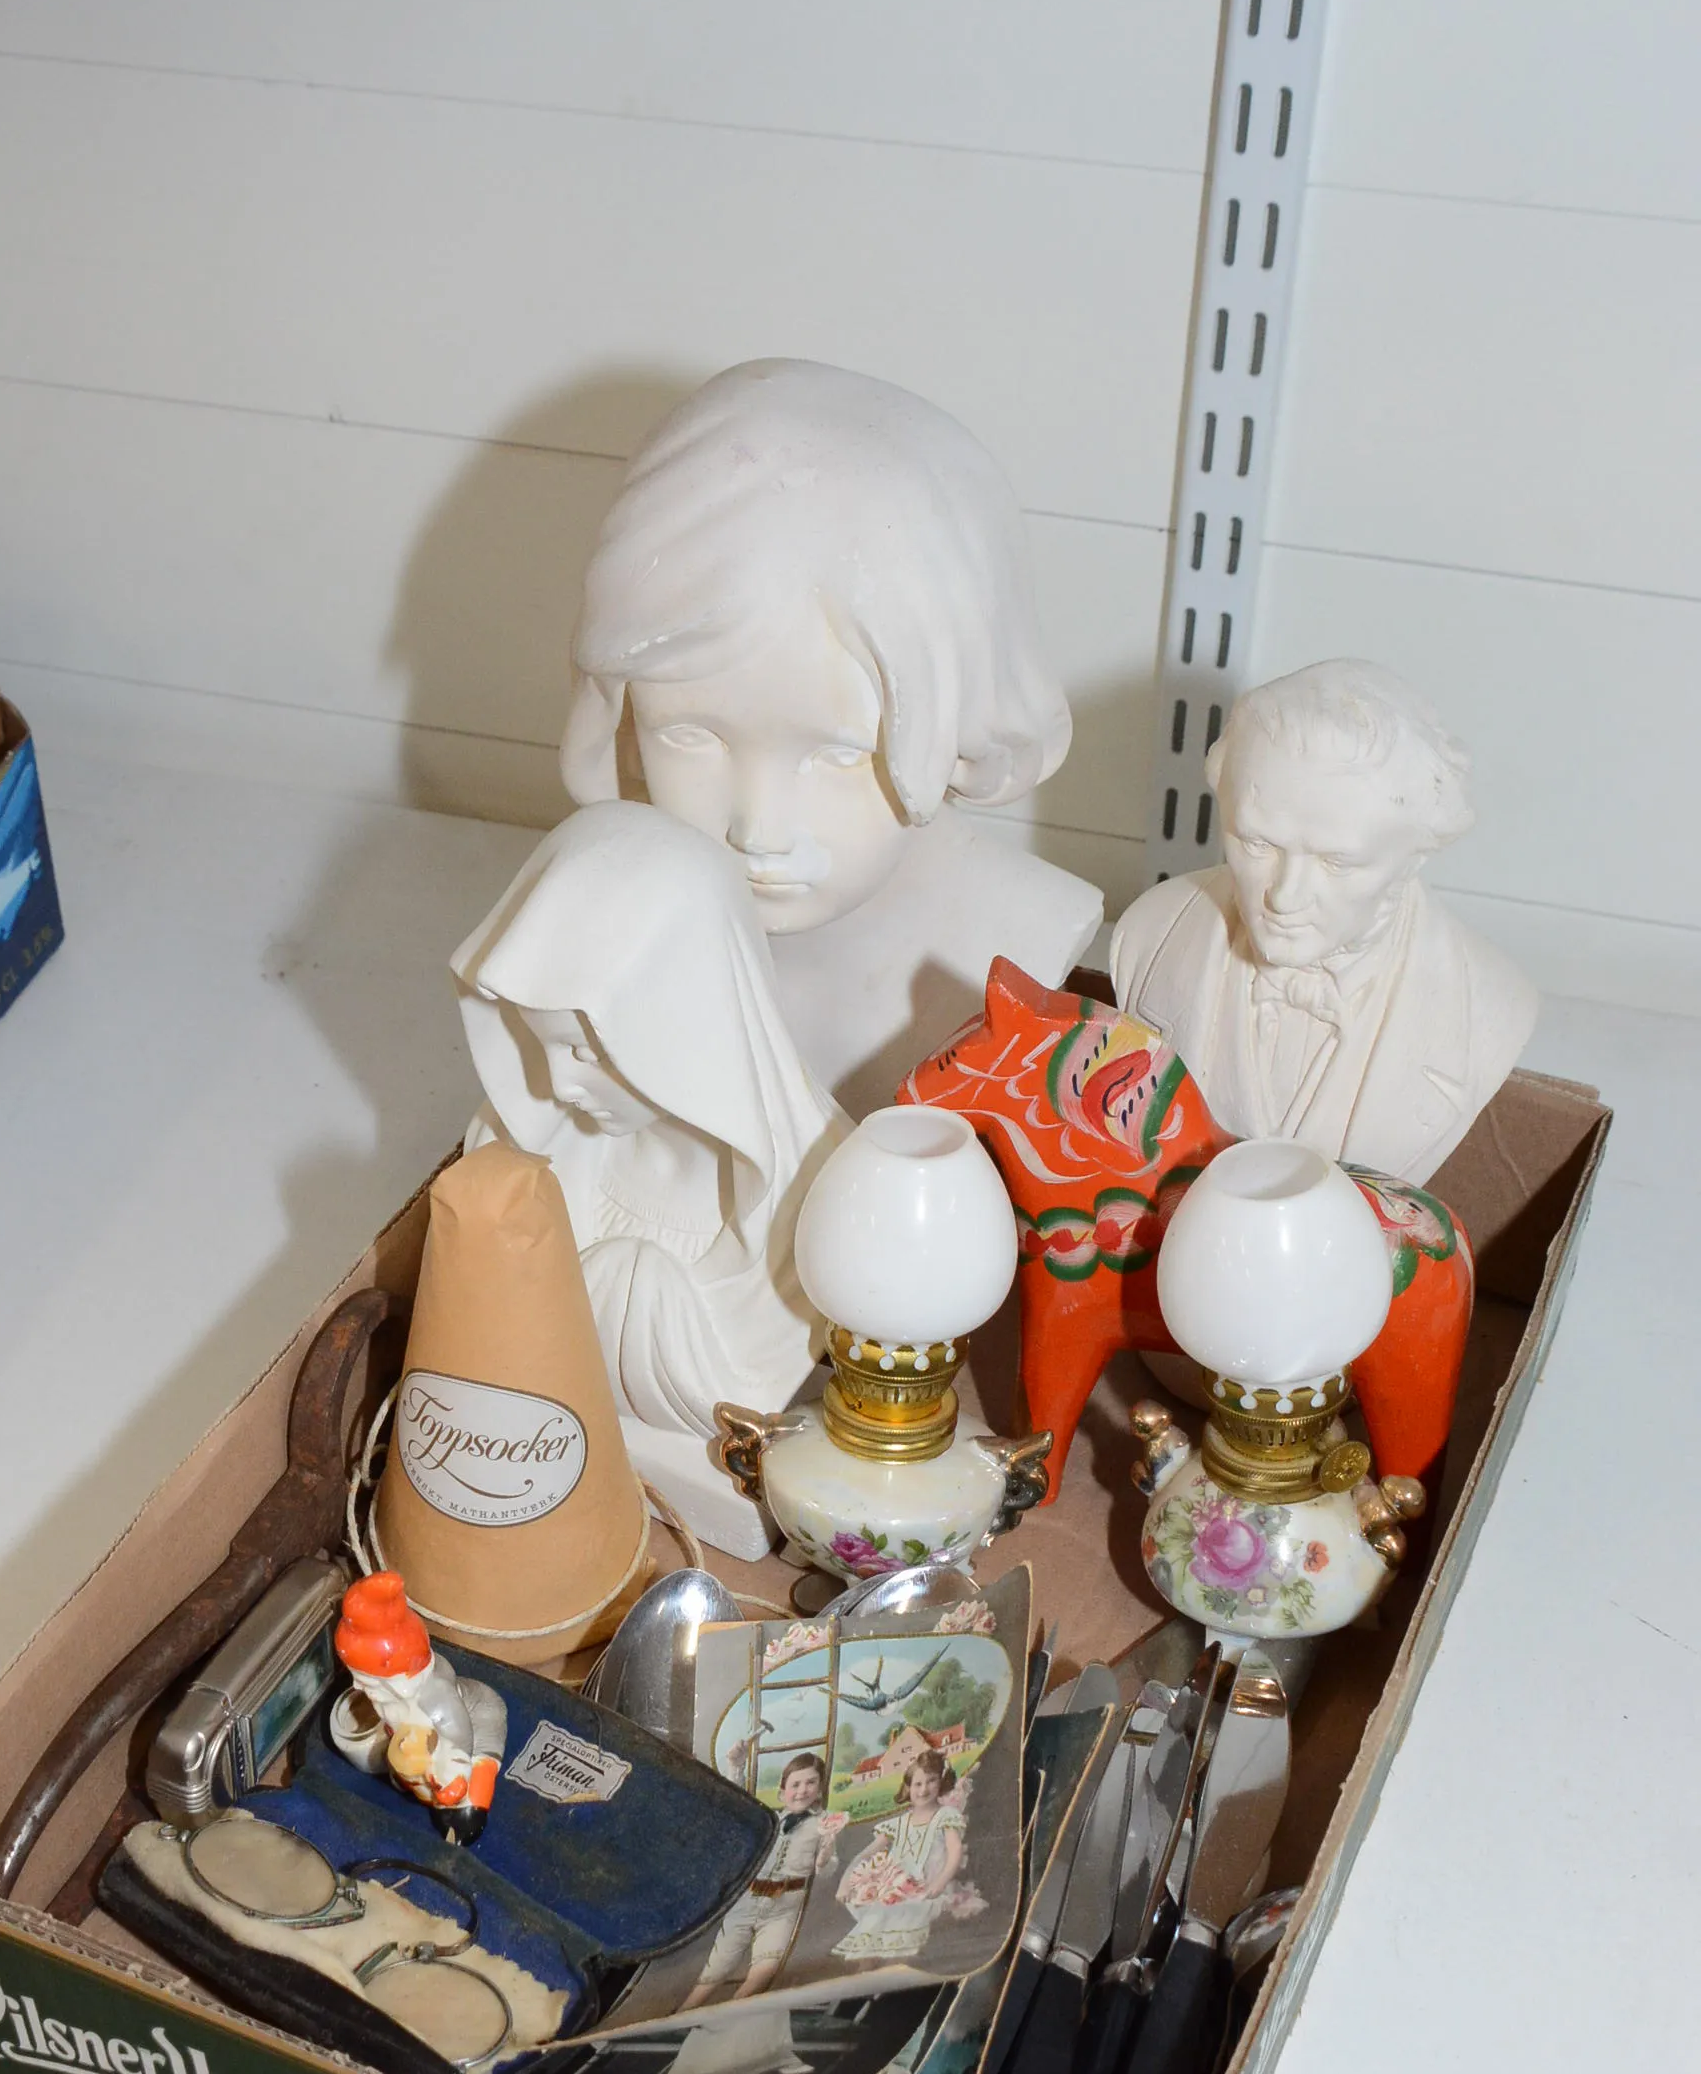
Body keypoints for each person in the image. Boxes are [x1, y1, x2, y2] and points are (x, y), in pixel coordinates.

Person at [560, 359, 1102, 1115]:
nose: (758, 831)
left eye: (840, 753)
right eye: (692, 736)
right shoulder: (601, 939)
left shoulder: (1016, 947)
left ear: (965, 714)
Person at [452, 798, 847, 1455]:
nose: (557, 1086)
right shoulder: (518, 1154)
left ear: (684, 1019)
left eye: (586, 1054)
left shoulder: (827, 1203)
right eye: (539, 1043)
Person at [1110, 660, 1537, 1181]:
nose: (1284, 897)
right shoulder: (1150, 934)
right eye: (1257, 843)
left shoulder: (1488, 1004)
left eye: (1337, 862)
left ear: (1415, 856)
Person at [680, 1754, 839, 2006]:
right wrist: (736, 1766)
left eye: (811, 1783)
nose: (802, 1791)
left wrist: (824, 1857)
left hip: (784, 1906)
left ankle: (730, 2016)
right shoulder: (768, 1820)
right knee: (717, 1968)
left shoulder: (823, 1825)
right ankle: (684, 2013)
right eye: (795, 1784)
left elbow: (827, 1870)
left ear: (820, 1790)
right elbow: (737, 1805)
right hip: (748, 1898)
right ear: (782, 1793)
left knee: (766, 1969)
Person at [831, 1755, 971, 1965]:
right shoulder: (897, 1824)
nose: (923, 1790)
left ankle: (896, 1968)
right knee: (872, 1934)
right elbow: (865, 1855)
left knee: (902, 1940)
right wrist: (845, 1883)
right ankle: (867, 1970)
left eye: (931, 1781)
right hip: (894, 1891)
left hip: (925, 1888)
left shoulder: (945, 1816)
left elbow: (955, 1851)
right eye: (917, 1784)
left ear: (941, 1781)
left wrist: (939, 1883)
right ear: (908, 1787)